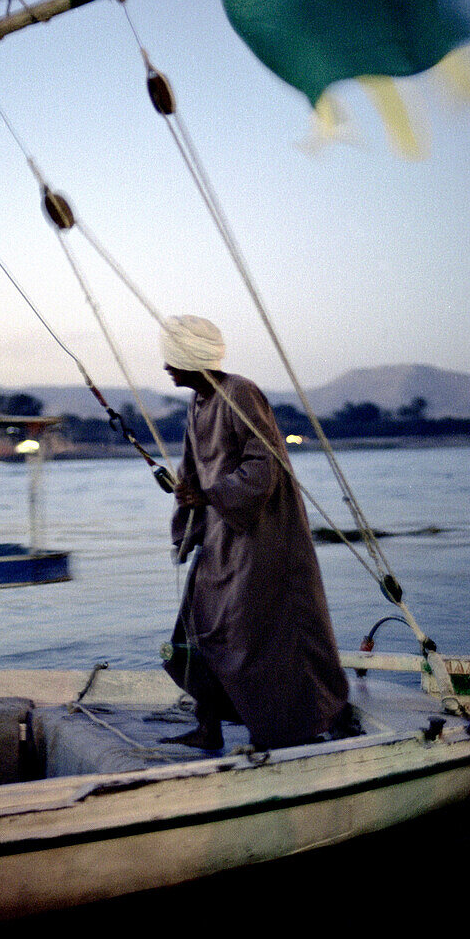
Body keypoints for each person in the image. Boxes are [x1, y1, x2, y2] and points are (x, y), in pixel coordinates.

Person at [159, 314, 355, 752]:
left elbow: (263, 465)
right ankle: (207, 726)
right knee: (196, 631)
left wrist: (208, 495)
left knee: (256, 636)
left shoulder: (240, 393)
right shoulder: (196, 404)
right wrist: (187, 522)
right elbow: (191, 470)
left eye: (172, 360)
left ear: (194, 360)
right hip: (218, 534)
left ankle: (289, 729)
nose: (166, 368)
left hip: (261, 534)